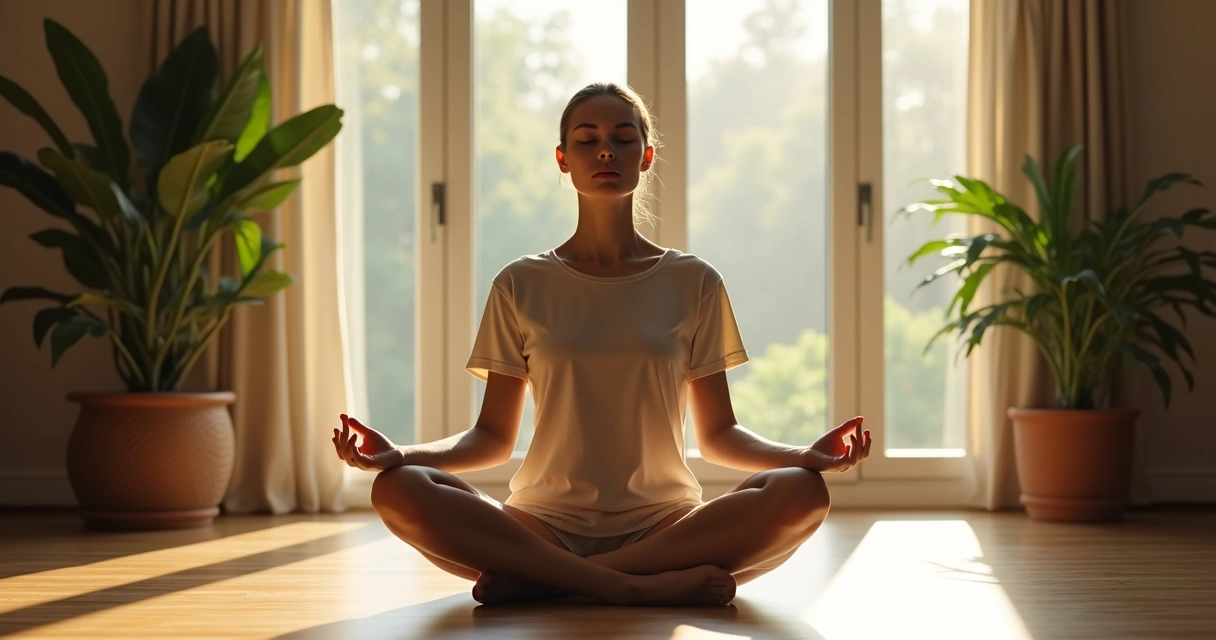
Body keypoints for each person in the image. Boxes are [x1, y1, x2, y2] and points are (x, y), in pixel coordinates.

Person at [331, 82, 871, 607]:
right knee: (399, 488)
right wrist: (399, 455)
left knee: (803, 492)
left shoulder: (694, 281)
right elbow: (493, 438)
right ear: (563, 159)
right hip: (542, 524)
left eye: (624, 137)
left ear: (647, 155)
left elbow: (718, 435)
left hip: (667, 525)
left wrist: (804, 455)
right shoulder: (521, 283)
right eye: (587, 139)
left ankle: (550, 584)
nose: (606, 149)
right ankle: (631, 586)